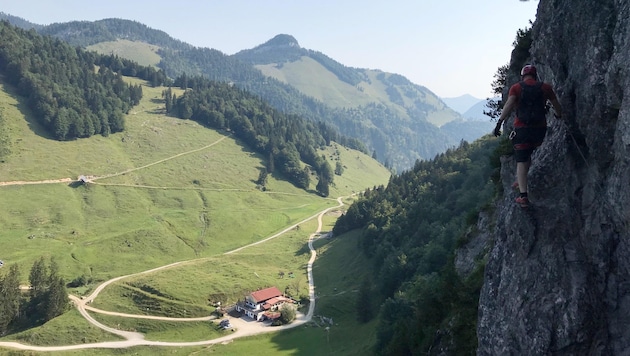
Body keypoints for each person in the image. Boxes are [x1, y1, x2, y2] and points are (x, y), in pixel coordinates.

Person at [493, 64, 563, 208]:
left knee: (521, 159)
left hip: (522, 129)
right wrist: (558, 115)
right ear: (535, 75)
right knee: (529, 152)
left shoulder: (516, 88)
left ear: (522, 76)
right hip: (539, 130)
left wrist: (499, 123)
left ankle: (523, 195)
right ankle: (521, 179)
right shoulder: (546, 88)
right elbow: (557, 105)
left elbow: (509, 104)